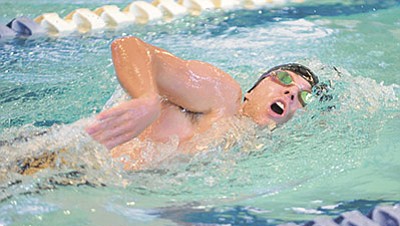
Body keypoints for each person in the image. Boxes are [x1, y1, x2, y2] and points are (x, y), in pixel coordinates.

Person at [85, 36, 319, 169]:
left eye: (303, 97)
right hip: (75, 167)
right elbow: (129, 46)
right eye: (284, 79)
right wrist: (146, 99)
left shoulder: (252, 148)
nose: (290, 93)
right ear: (253, 90)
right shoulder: (223, 97)